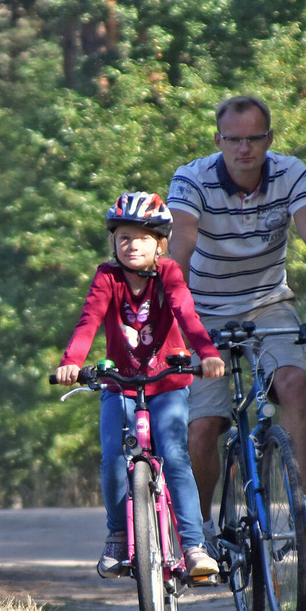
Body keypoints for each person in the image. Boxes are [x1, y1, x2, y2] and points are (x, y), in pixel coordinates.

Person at [167, 94, 306, 541]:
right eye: (233, 139)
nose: (244, 148)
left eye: (253, 138)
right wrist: (171, 321)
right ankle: (202, 533)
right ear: (218, 141)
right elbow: (180, 247)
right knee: (202, 428)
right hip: (202, 311)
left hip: (268, 304)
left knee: (293, 383)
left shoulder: (291, 173)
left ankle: (302, 505)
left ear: (269, 138)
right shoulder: (192, 179)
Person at [55, 192, 227, 580]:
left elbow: (187, 314)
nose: (132, 245)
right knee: (113, 458)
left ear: (160, 244)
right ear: (113, 243)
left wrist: (207, 354)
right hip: (120, 387)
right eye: (124, 237)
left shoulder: (169, 274)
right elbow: (89, 321)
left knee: (175, 455)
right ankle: (118, 536)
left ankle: (194, 547)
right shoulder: (108, 277)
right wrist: (72, 362)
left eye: (143, 238)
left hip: (167, 385)